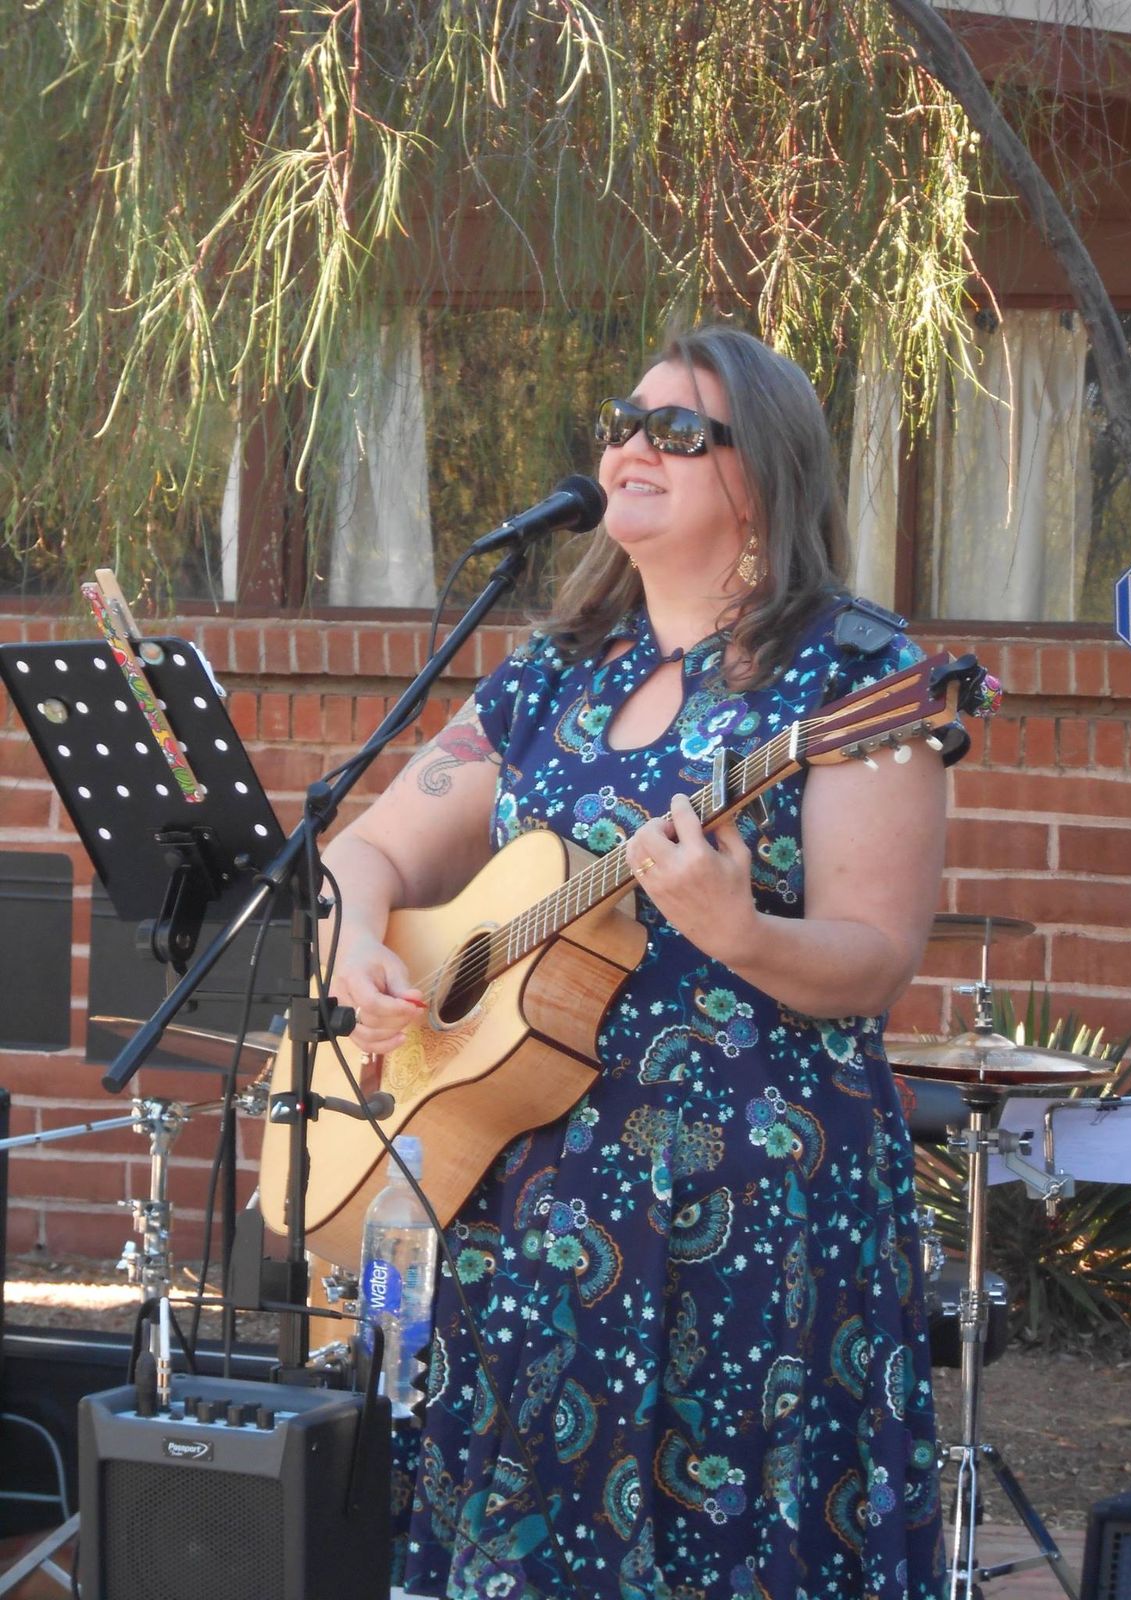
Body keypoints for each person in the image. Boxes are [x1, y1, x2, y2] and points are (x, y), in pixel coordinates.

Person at [322, 325, 955, 1600]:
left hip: (759, 1208)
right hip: (533, 1198)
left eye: (678, 429)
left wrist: (741, 932)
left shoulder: (858, 674)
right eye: (624, 421)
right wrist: (355, 948)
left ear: (763, 474)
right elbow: (364, 849)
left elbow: (876, 958)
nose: (629, 445)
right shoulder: (546, 676)